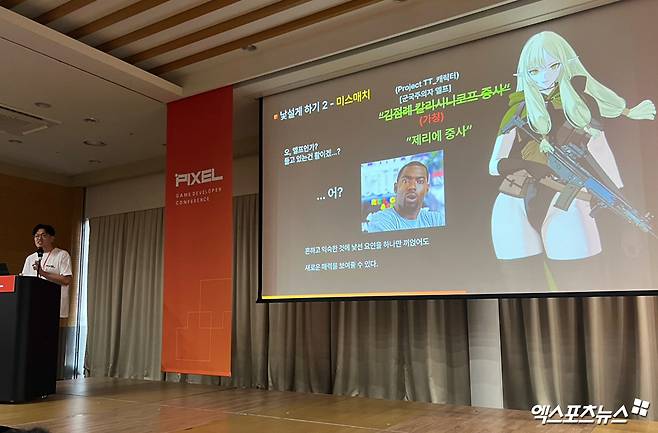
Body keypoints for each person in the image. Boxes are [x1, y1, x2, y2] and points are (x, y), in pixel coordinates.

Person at [489, 31, 655, 261]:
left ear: (564, 63)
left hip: (569, 199)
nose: (544, 77)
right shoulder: (518, 109)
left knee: (577, 279)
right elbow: (494, 165)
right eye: (534, 71)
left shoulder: (582, 104)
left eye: (553, 66)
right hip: (514, 200)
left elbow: (602, 155)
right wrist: (528, 166)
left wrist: (624, 208)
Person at [367, 161, 444, 232]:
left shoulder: (436, 219)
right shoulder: (381, 220)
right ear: (396, 188)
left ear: (427, 189)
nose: (412, 187)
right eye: (405, 181)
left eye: (420, 181)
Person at [20, 224, 72, 318]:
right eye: (36, 236)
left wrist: (43, 273)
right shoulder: (30, 258)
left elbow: (66, 280)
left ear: (52, 238)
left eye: (43, 235)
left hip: (54, 304)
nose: (39, 238)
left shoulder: (62, 255)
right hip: (33, 305)